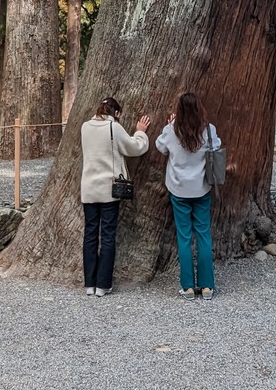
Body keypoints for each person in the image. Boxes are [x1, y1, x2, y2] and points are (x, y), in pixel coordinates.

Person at [81, 96, 150, 296]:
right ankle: (103, 285)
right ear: (116, 113)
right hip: (108, 190)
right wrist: (140, 132)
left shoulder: (85, 127)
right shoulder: (114, 127)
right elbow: (135, 147)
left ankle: (89, 284)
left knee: (90, 235)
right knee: (108, 235)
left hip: (88, 188)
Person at [156, 92, 220, 300]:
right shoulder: (208, 130)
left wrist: (171, 123)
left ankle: (188, 287)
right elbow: (217, 147)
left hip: (178, 189)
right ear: (199, 108)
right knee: (203, 235)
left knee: (184, 237)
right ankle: (207, 286)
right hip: (201, 188)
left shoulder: (171, 130)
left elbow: (160, 147)